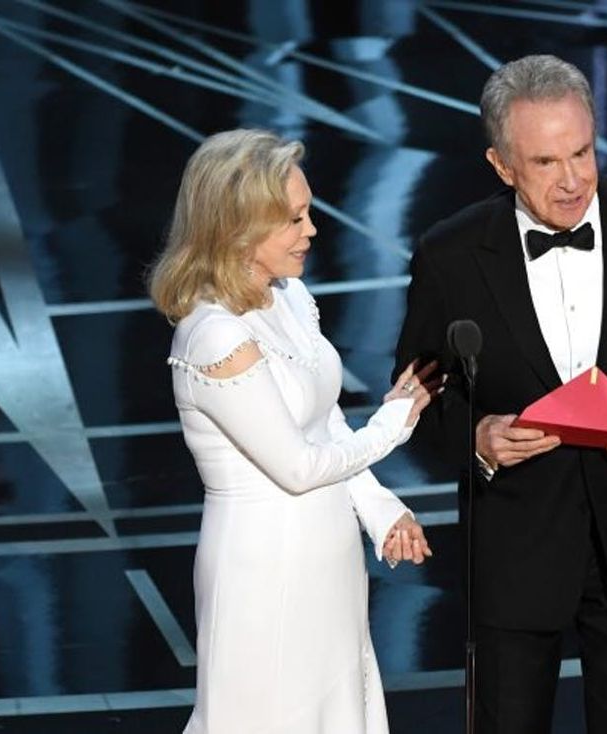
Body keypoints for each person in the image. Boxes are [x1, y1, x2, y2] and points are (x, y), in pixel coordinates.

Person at [395, 55, 607, 733]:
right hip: (514, 548)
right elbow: (418, 389)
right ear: (501, 166)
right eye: (546, 162)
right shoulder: (450, 254)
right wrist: (476, 437)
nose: (573, 179)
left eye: (582, 152)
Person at [148, 129, 438, 734]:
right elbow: (298, 465)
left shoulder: (287, 295)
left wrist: (380, 508)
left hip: (328, 558)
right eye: (293, 218)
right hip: (265, 569)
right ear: (238, 227)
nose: (312, 229)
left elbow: (322, 419)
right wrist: (392, 424)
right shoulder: (214, 335)